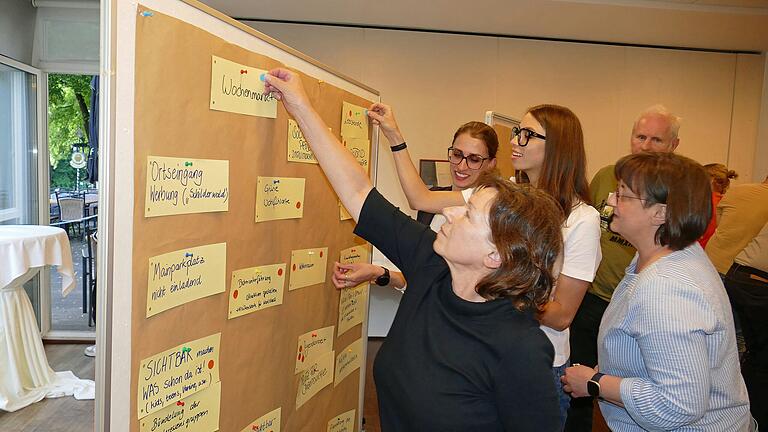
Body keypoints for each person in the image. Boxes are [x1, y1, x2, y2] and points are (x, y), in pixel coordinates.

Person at [263, 68, 563, 431]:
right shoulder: (432, 268)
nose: (449, 211)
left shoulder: (521, 351)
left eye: (468, 214)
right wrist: (300, 106)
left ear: (496, 256)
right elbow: (359, 193)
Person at [368, 102, 601, 425]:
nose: (516, 141)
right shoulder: (502, 193)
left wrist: (492, 291)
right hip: (477, 347)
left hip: (535, 361)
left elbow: (561, 315)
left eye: (528, 135)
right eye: (518, 132)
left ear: (559, 146)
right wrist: (394, 134)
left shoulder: (582, 219)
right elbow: (421, 199)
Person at [562, 152, 752, 431]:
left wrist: (595, 382)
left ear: (661, 213)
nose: (612, 200)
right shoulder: (667, 255)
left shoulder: (666, 287)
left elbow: (678, 404)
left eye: (624, 195)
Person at [565, 104, 681, 431]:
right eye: (640, 136)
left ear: (673, 145)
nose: (645, 145)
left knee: (633, 387)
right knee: (580, 384)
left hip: (642, 310)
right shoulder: (605, 176)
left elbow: (675, 397)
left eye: (655, 139)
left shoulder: (678, 193)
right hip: (594, 298)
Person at [334, 120, 499, 293]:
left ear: (491, 164)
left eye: (474, 159)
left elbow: (418, 198)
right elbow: (424, 273)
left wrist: (394, 136)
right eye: (457, 154)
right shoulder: (432, 203)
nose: (462, 166)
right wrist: (380, 273)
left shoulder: (489, 209)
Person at [705, 174, 768, 427]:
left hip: (714, 267)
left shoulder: (737, 192)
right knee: (738, 348)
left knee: (713, 342)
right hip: (744, 275)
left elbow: (721, 224)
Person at [698, 163, 738, 248]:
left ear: (711, 180)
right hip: (715, 252)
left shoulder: (703, 202)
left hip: (699, 250)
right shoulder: (728, 202)